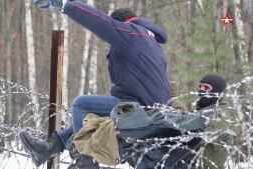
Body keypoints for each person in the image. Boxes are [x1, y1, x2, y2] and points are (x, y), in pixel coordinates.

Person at [19, 0, 171, 167]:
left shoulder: (130, 34)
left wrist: (65, 5)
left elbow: (100, 21)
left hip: (140, 109)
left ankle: (85, 160)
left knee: (82, 105)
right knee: (94, 114)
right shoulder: (151, 43)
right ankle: (50, 147)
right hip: (155, 110)